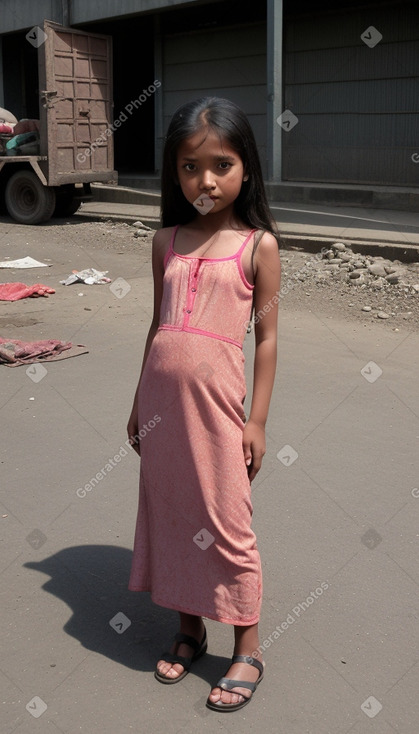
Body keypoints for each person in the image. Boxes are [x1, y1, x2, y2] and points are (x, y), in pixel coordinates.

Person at [127, 96, 281, 712]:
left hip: (221, 413)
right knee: (172, 515)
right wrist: (139, 402)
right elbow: (155, 325)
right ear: (174, 170)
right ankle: (190, 628)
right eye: (191, 166)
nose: (206, 180)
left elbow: (267, 336)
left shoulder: (257, 246)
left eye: (221, 164)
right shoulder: (165, 241)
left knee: (225, 523)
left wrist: (259, 420)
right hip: (161, 411)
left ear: (246, 168)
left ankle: (248, 647)